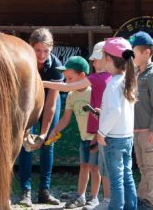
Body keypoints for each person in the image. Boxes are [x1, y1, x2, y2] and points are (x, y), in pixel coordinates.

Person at [43, 41, 112, 210]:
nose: (68, 81)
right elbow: (66, 118)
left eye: (70, 77)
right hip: (83, 137)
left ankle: (94, 197)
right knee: (84, 166)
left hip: (96, 136)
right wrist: (55, 129)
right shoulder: (73, 96)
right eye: (66, 77)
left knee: (96, 168)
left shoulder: (92, 88)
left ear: (83, 76)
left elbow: (65, 87)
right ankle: (80, 196)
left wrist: (42, 83)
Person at [18, 27, 63, 207]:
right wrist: (26, 128)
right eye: (38, 50)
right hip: (27, 102)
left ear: (51, 48)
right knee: (26, 144)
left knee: (48, 144)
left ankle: (44, 191)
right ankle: (25, 192)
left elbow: (52, 103)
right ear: (31, 47)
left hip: (50, 102)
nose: (42, 54)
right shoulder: (23, 63)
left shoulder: (56, 66)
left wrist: (44, 134)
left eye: (46, 50)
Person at [96, 37, 137, 210]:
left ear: (108, 59)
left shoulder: (113, 84)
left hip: (113, 140)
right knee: (127, 176)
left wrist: (101, 132)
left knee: (116, 180)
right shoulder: (127, 81)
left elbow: (115, 112)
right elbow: (119, 111)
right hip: (127, 138)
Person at [129, 31, 153, 210]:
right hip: (136, 130)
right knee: (143, 166)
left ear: (146, 53)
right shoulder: (137, 74)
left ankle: (150, 201)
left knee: (151, 167)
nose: (131, 55)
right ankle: (142, 198)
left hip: (148, 131)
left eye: (133, 51)